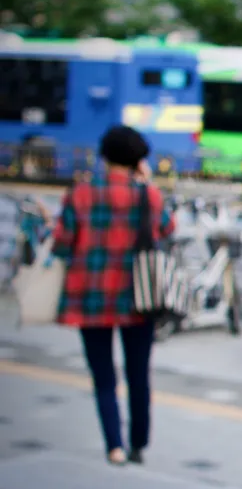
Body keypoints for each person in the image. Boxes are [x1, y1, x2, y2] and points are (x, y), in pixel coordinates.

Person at [54, 126, 174, 466]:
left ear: (104, 156)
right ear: (138, 161)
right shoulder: (145, 195)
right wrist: (148, 183)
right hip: (139, 296)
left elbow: (63, 243)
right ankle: (138, 444)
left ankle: (114, 446)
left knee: (103, 374)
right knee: (139, 373)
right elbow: (167, 228)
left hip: (89, 297)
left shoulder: (80, 193)